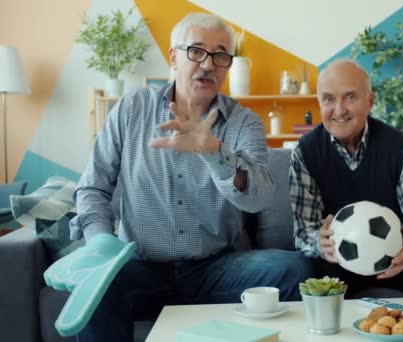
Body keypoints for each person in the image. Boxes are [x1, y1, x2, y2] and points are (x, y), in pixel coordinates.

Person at [69, 13, 313, 341]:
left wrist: (214, 152)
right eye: (196, 51)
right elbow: (93, 187)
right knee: (95, 283)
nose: (208, 64)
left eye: (220, 55)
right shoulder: (131, 109)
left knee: (294, 269)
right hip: (141, 267)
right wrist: (100, 244)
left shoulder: (244, 122)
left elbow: (259, 198)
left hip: (216, 270)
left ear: (228, 65)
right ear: (174, 56)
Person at [289, 59, 403, 298]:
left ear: (370, 101)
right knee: (296, 273)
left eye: (350, 97)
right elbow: (303, 233)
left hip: (396, 261)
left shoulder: (397, 146)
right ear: (319, 102)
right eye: (329, 99)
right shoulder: (306, 151)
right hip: (335, 265)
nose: (339, 110)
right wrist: (318, 243)